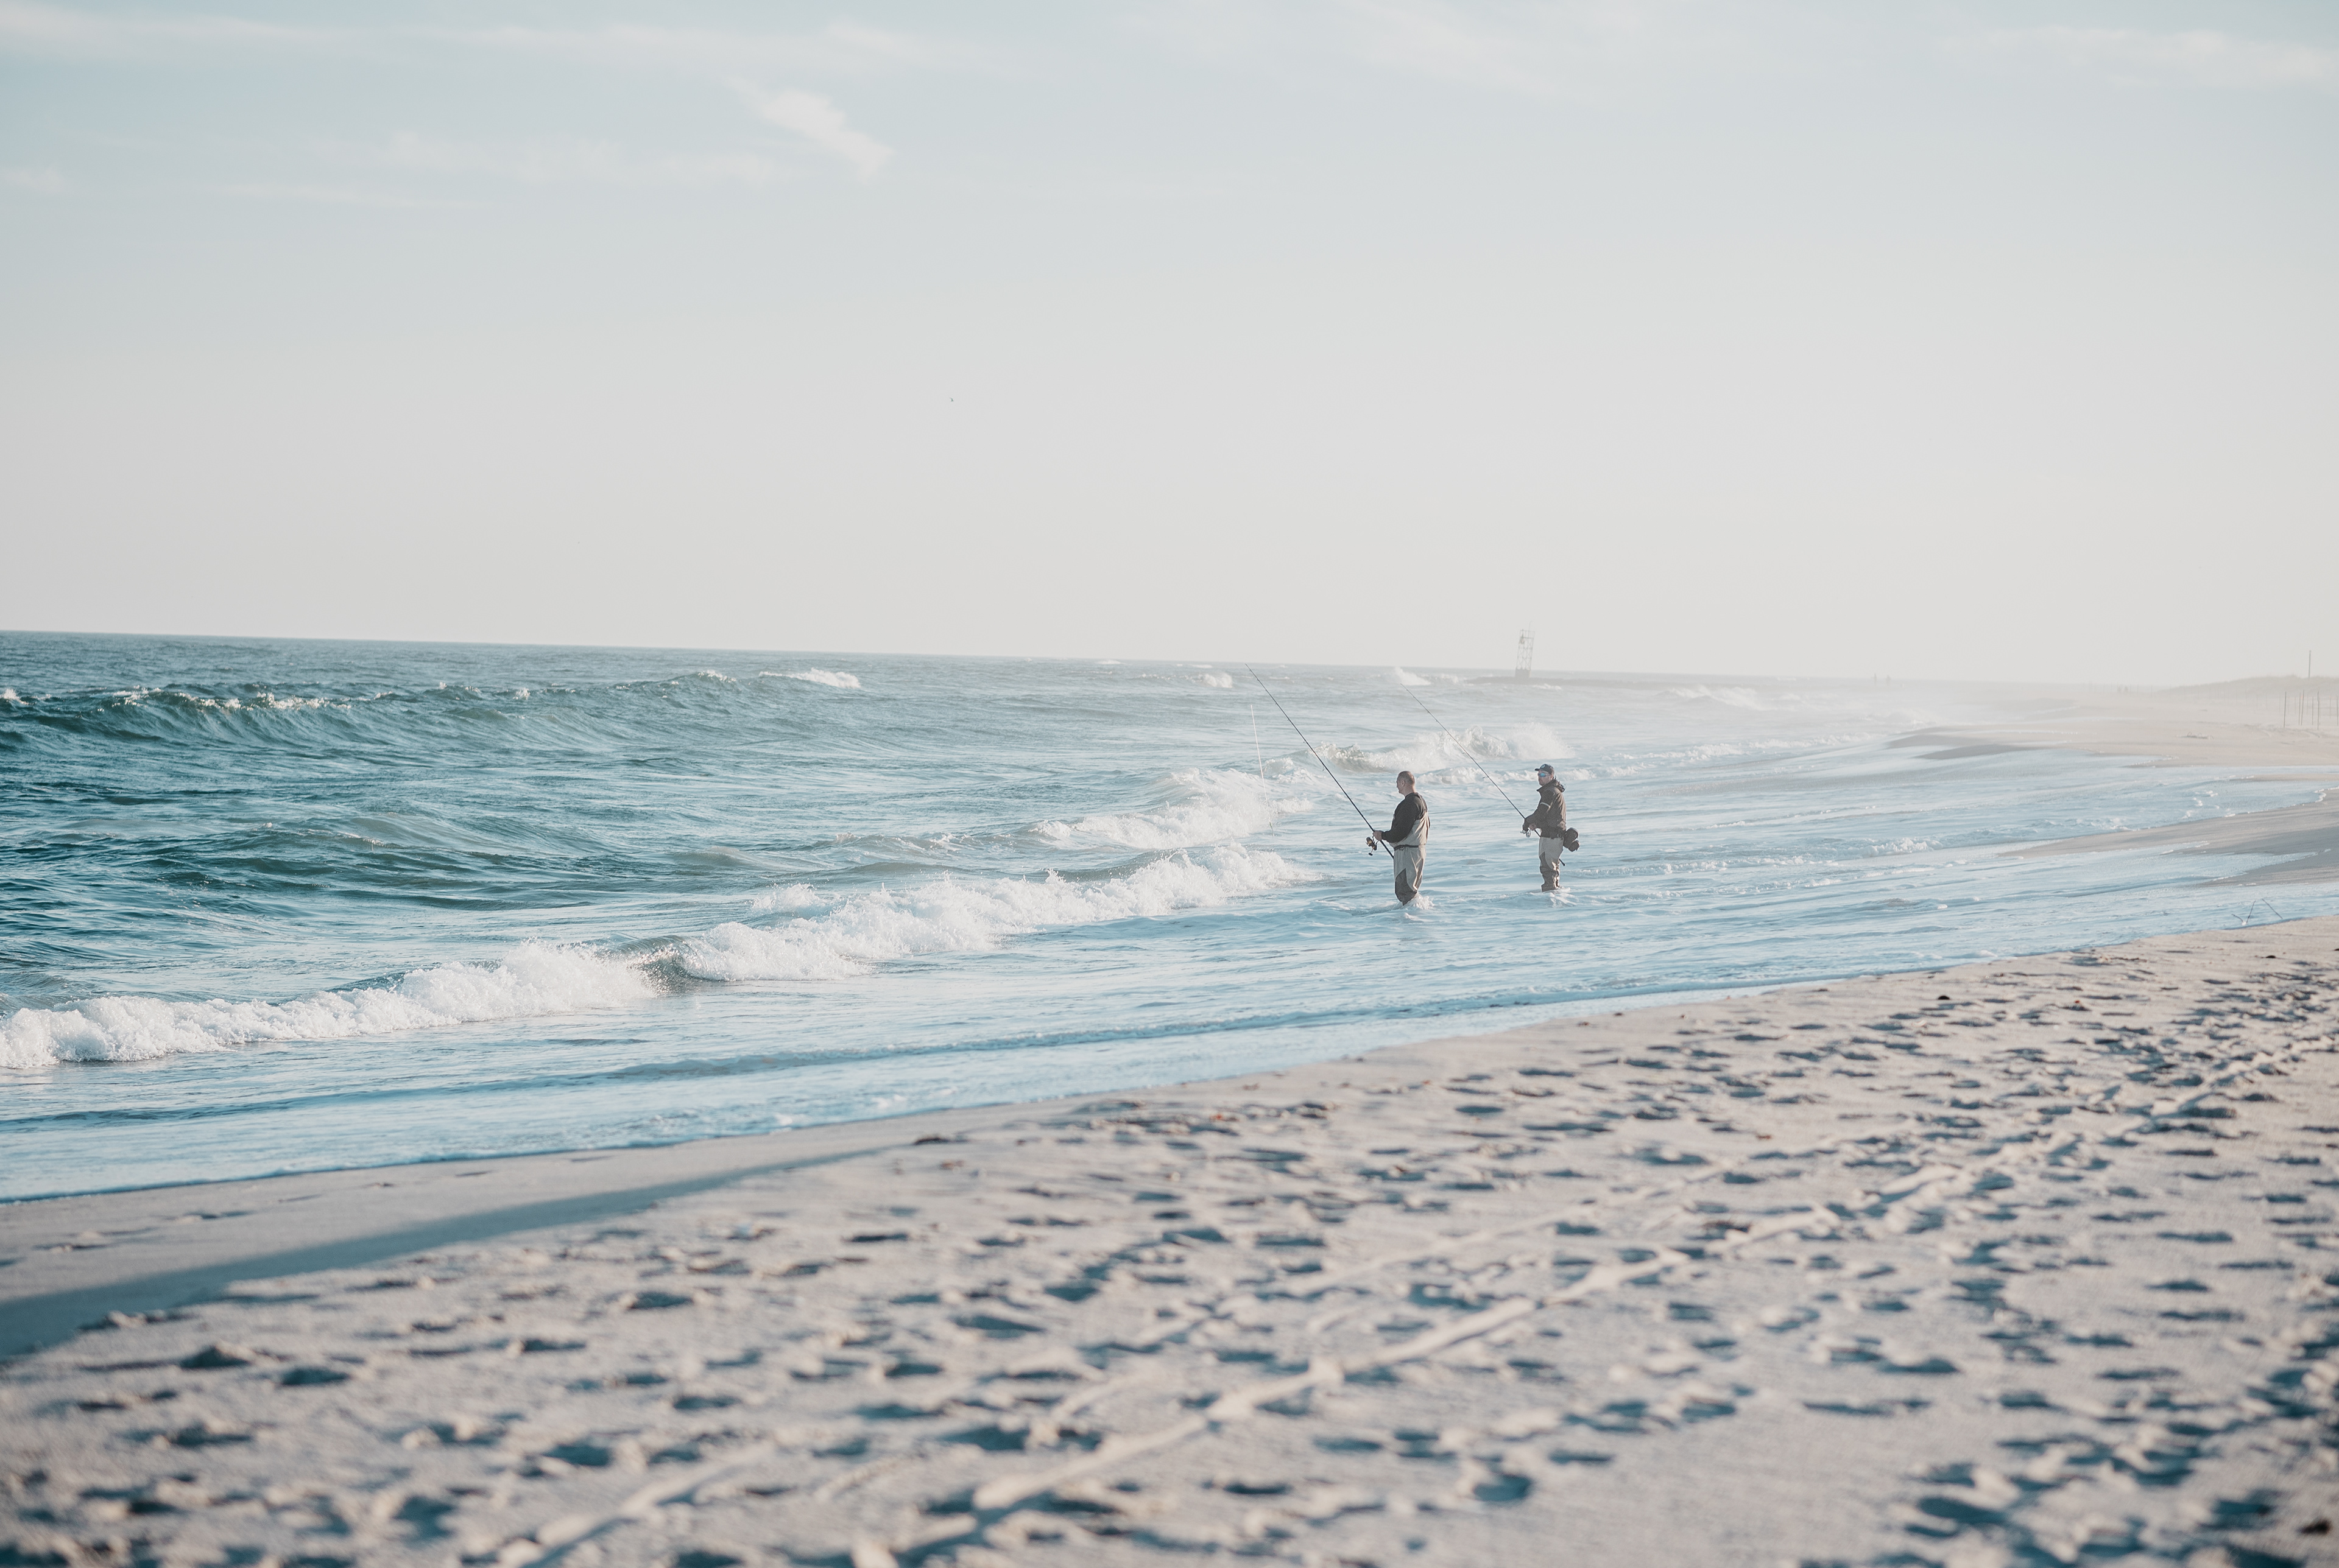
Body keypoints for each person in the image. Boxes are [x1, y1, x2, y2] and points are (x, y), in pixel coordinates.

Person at [1368, 770, 1430, 904]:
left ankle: (1409, 920)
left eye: (1397, 782)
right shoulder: (1421, 801)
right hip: (1418, 852)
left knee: (1405, 891)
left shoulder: (1409, 804)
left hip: (1408, 854)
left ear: (1403, 782)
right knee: (1411, 891)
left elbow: (1400, 832)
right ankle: (1417, 915)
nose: (1396, 786)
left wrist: (1382, 835)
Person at [1521, 762, 1568, 891]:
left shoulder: (1550, 792)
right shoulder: (1553, 791)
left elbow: (1541, 812)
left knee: (1548, 868)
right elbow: (1549, 816)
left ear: (1552, 776)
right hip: (1552, 835)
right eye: (1538, 774)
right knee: (1551, 867)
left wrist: (1527, 821)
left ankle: (1550, 897)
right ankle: (1555, 894)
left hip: (1552, 837)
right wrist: (1537, 824)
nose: (1539, 777)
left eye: (1543, 775)